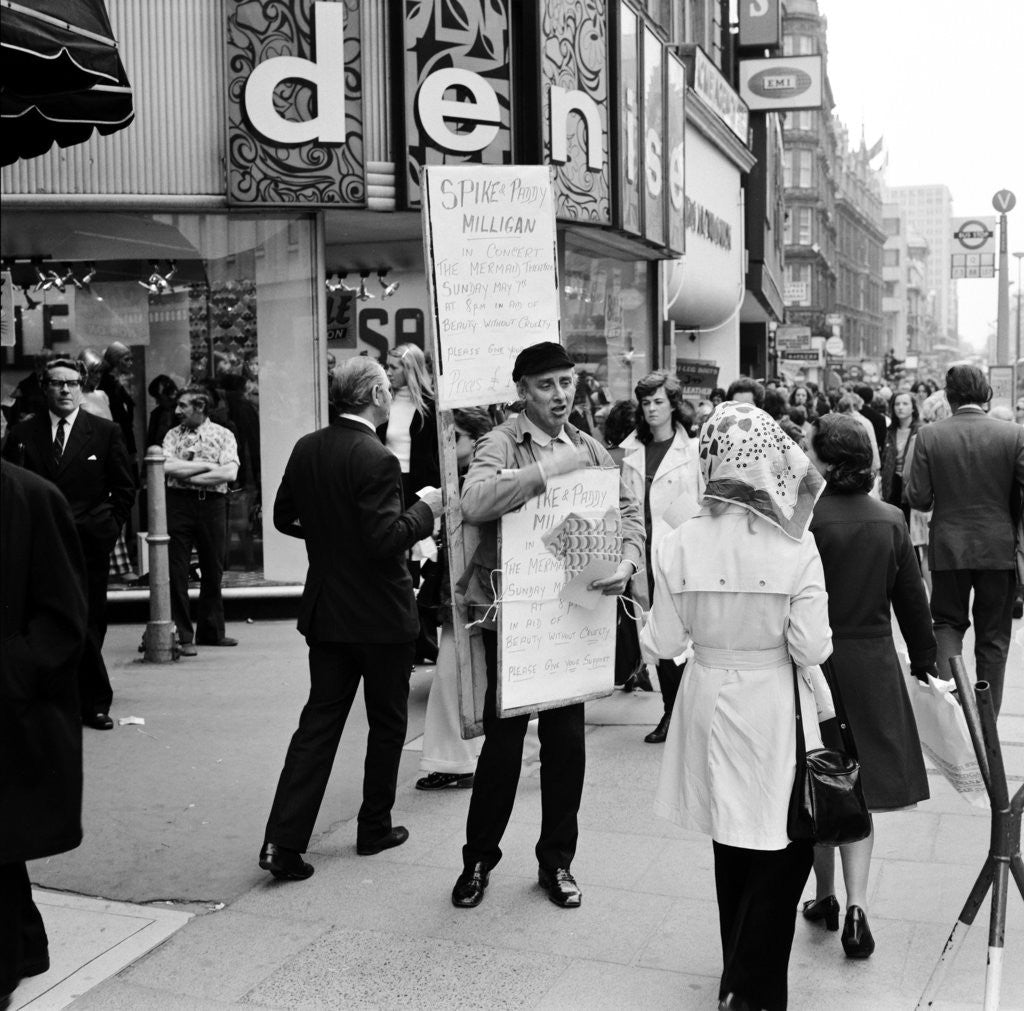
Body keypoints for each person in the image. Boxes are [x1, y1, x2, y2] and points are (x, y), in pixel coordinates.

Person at [641, 402, 832, 1011]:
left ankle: (735, 978)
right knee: (785, 840)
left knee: (729, 841)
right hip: (772, 701)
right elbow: (811, 646)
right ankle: (754, 989)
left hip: (706, 694)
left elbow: (667, 645)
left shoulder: (677, 544)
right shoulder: (795, 546)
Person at [450, 341, 644, 910]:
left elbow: (627, 513)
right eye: (546, 386)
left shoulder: (589, 445)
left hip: (574, 618)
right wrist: (545, 470)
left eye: (567, 383)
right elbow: (473, 500)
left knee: (566, 750)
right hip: (513, 620)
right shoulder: (501, 441)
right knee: (503, 749)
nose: (560, 395)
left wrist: (628, 562)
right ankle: (478, 861)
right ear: (522, 391)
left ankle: (556, 863)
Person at [259, 358, 442, 880]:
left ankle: (282, 842)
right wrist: (425, 508)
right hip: (380, 614)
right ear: (377, 397)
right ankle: (374, 827)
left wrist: (329, 538)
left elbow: (282, 517)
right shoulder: (377, 458)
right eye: (387, 390)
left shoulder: (307, 446)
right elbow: (385, 539)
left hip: (329, 609)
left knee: (318, 725)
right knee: (387, 722)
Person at [802, 414, 936, 959]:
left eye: (811, 451)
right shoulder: (890, 520)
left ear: (829, 463)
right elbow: (914, 606)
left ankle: (825, 896)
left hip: (817, 668)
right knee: (861, 794)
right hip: (874, 665)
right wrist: (928, 665)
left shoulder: (804, 521)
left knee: (820, 782)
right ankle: (857, 908)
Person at [2, 358, 135, 730]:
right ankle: (49, 699)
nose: (64, 390)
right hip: (37, 546)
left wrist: (108, 528)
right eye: (57, 383)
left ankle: (93, 702)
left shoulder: (104, 432)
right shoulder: (23, 435)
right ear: (45, 388)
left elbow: (125, 487)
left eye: (72, 383)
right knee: (39, 620)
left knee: (89, 620)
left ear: (82, 388)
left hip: (87, 544)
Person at [1, 460, 88, 1003]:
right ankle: (27, 946)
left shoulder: (32, 497)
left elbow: (64, 617)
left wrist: (9, 674)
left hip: (8, 705)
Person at [906, 365, 1024, 713]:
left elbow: (920, 499)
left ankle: (956, 713)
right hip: (998, 549)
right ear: (986, 393)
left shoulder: (929, 435)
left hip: (948, 547)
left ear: (949, 394)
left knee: (946, 625)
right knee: (993, 640)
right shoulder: (1014, 434)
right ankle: (986, 722)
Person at [620, 372, 702, 743]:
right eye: (646, 402)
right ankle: (672, 709)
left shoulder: (694, 450)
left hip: (682, 554)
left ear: (673, 404)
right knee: (658, 634)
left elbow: (704, 505)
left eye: (658, 401)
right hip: (642, 556)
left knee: (685, 637)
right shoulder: (631, 450)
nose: (651, 409)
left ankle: (684, 712)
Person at [416, 407, 494, 791]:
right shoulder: (460, 481)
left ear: (476, 442)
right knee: (458, 676)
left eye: (456, 436)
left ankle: (458, 760)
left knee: (457, 677)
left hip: (474, 592)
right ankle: (459, 758)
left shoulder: (480, 483)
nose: (448, 443)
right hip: (464, 592)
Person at [162, 386, 240, 656]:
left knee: (213, 568)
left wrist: (189, 476)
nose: (177, 411)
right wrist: (208, 467)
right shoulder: (173, 435)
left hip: (212, 506)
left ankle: (212, 631)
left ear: (200, 407)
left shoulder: (224, 434)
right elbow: (165, 466)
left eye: (183, 406)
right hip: (178, 504)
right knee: (176, 570)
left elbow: (229, 472)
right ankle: (183, 635)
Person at [379, 342, 441, 663]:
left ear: (410, 369)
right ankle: (401, 635)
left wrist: (434, 494)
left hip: (419, 489)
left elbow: (437, 455)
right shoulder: (382, 404)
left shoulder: (430, 406)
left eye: (394, 366)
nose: (388, 371)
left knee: (423, 563)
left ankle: (422, 638)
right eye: (387, 366)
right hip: (389, 487)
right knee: (397, 562)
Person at [880, 390, 920, 523]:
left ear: (913, 407)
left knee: (909, 527)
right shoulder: (890, 431)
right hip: (892, 483)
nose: (900, 407)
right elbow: (884, 459)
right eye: (897, 404)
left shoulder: (921, 431)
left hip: (912, 485)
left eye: (905, 403)